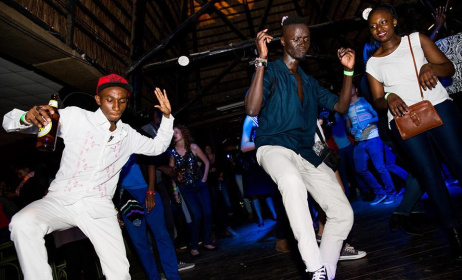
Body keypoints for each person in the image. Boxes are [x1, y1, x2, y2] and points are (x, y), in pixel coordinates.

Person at [2, 73, 174, 279]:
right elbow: (8, 122)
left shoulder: (128, 135)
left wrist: (166, 118)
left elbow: (157, 147)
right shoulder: (77, 117)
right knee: (23, 222)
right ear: (98, 100)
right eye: (110, 100)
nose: (116, 106)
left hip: (99, 206)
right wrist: (25, 117)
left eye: (122, 101)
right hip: (62, 198)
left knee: (119, 272)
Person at [245, 15, 355, 280]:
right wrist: (261, 60)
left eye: (306, 38)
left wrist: (348, 71)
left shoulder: (309, 81)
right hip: (273, 147)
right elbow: (251, 108)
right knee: (292, 182)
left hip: (306, 151)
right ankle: (313, 265)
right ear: (283, 41)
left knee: (343, 214)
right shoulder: (270, 71)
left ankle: (324, 274)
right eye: (296, 38)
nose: (302, 43)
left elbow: (340, 106)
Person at [366, 3, 462, 261]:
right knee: (430, 177)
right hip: (404, 121)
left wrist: (429, 68)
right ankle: (455, 234)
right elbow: (376, 99)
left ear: (394, 21)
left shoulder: (416, 40)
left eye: (383, 22)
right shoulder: (372, 63)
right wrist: (389, 95)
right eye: (374, 26)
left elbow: (448, 68)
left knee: (459, 164)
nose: (379, 29)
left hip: (439, 108)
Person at [118, 154, 181, 280]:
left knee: (162, 236)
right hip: (127, 197)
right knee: (139, 243)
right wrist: (116, 208)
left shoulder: (135, 136)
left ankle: (173, 276)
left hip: (148, 190)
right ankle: (153, 277)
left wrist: (151, 191)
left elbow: (150, 161)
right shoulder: (106, 146)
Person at [344, 84, 397, 205]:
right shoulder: (346, 107)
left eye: (351, 87)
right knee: (360, 169)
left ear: (356, 89)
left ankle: (391, 194)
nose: (349, 90)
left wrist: (368, 121)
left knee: (380, 168)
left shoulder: (364, 101)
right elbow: (348, 125)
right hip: (359, 141)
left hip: (373, 137)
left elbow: (377, 116)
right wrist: (350, 130)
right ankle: (380, 193)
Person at [170, 124, 216, 257]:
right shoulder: (172, 153)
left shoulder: (193, 147)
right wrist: (175, 191)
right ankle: (194, 246)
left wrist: (204, 178)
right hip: (186, 188)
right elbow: (172, 174)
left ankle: (207, 241)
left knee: (207, 213)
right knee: (197, 215)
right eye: (173, 133)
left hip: (200, 185)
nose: (174, 134)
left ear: (183, 133)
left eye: (177, 132)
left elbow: (206, 162)